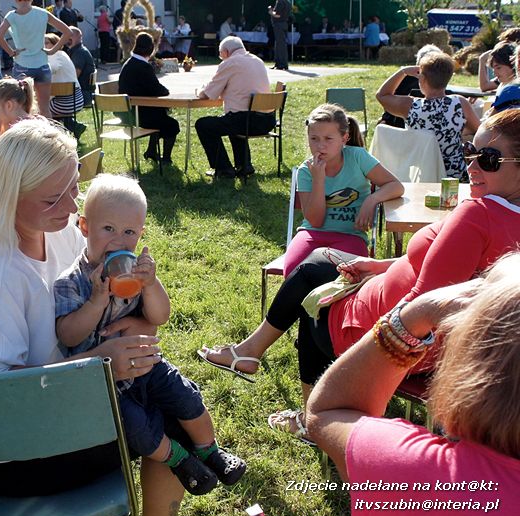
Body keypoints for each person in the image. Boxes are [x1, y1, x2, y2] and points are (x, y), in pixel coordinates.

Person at [198, 109, 520, 442]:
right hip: (453, 347)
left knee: (313, 300)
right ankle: (251, 353)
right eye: (470, 151)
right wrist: (380, 267)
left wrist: (369, 362)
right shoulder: (496, 210)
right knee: (319, 264)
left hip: (395, 339)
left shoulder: (479, 214)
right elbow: (445, 267)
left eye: (489, 159)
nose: (471, 166)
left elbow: (422, 307)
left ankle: (314, 419)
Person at [0, 120, 187, 516]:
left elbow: (104, 296)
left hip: (73, 402)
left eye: (74, 187)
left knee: (176, 416)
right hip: (22, 449)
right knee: (173, 429)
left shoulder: (53, 228)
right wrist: (99, 362)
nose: (73, 208)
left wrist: (138, 323)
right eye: (54, 198)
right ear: (9, 196)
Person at [54, 174, 246, 495]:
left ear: (140, 234)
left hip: (146, 363)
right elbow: (69, 336)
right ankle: (181, 461)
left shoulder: (135, 274)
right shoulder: (70, 281)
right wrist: (96, 301)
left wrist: (151, 283)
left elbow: (160, 316)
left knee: (186, 396)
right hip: (103, 383)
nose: (118, 240)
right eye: (108, 229)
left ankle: (210, 449)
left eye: (129, 232)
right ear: (84, 227)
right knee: (136, 428)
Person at [306, 252, 520, 516]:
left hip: (355, 316)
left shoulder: (419, 474)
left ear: (471, 364)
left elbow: (327, 411)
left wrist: (414, 315)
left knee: (309, 273)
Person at [281, 104, 403, 277]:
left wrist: (371, 200)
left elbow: (396, 186)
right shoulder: (306, 171)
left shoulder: (358, 157)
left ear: (344, 138)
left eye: (328, 139)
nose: (320, 146)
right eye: (314, 139)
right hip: (312, 234)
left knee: (345, 275)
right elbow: (315, 221)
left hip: (350, 235)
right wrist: (318, 179)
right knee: (294, 272)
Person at [377, 52, 481, 182]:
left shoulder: (410, 106)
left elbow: (382, 95)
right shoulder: (460, 103)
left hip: (423, 176)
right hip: (455, 177)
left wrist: (402, 72)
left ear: (422, 79)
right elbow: (479, 130)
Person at [195, 36, 272, 179]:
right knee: (232, 117)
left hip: (246, 121)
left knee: (204, 125)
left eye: (220, 54)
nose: (220, 57)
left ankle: (223, 168)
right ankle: (244, 165)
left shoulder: (230, 63)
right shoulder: (258, 61)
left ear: (225, 52)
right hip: (267, 120)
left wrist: (199, 90)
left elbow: (207, 94)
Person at [0, 0, 72, 118]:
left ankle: (23, 136)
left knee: (20, 110)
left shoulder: (12, 16)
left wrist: (11, 52)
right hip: (42, 65)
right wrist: (53, 50)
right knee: (45, 110)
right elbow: (67, 32)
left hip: (22, 65)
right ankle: (49, 136)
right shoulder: (42, 13)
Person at [119, 32, 180, 165]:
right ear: (150, 49)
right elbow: (157, 89)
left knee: (160, 115)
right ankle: (166, 159)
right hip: (137, 114)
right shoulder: (143, 67)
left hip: (127, 112)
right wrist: (166, 91)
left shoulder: (129, 63)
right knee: (172, 124)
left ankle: (151, 151)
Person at [378, 44, 441, 129]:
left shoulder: (402, 79)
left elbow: (382, 96)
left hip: (400, 125)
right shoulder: (456, 101)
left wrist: (402, 71)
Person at [44, 33, 85, 138]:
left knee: (40, 108)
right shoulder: (63, 54)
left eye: (46, 43)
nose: (43, 46)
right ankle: (73, 126)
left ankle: (53, 135)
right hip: (77, 99)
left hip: (66, 102)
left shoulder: (55, 56)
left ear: (55, 44)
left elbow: (50, 69)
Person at [67, 26, 95, 106]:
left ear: (78, 37)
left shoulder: (80, 53)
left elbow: (74, 76)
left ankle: (65, 118)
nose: (66, 38)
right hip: (84, 93)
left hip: (83, 94)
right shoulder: (76, 51)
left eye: (69, 35)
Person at [269, 0, 290, 70]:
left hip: (279, 25)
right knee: (280, 44)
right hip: (284, 24)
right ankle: (279, 63)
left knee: (280, 45)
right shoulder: (287, 3)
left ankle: (281, 64)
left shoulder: (280, 2)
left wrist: (271, 12)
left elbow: (277, 15)